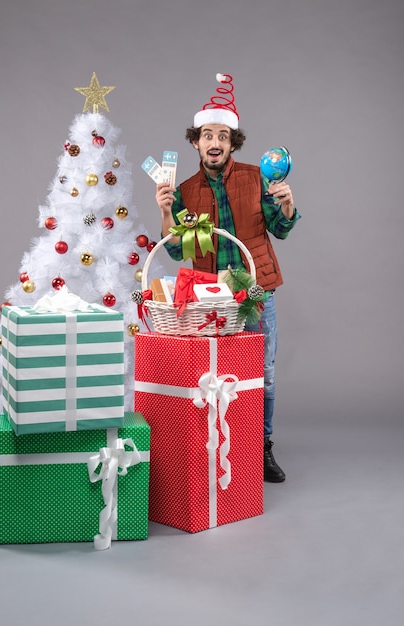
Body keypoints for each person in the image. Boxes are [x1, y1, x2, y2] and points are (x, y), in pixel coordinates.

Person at [155, 74, 300, 483]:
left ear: (233, 142)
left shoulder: (257, 178)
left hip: (254, 293)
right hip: (209, 298)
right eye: (207, 135)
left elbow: (282, 229)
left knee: (263, 374)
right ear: (196, 142)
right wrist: (166, 211)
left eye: (222, 135)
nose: (214, 143)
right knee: (211, 376)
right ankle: (213, 447)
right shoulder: (183, 189)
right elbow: (175, 249)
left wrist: (287, 206)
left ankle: (261, 448)